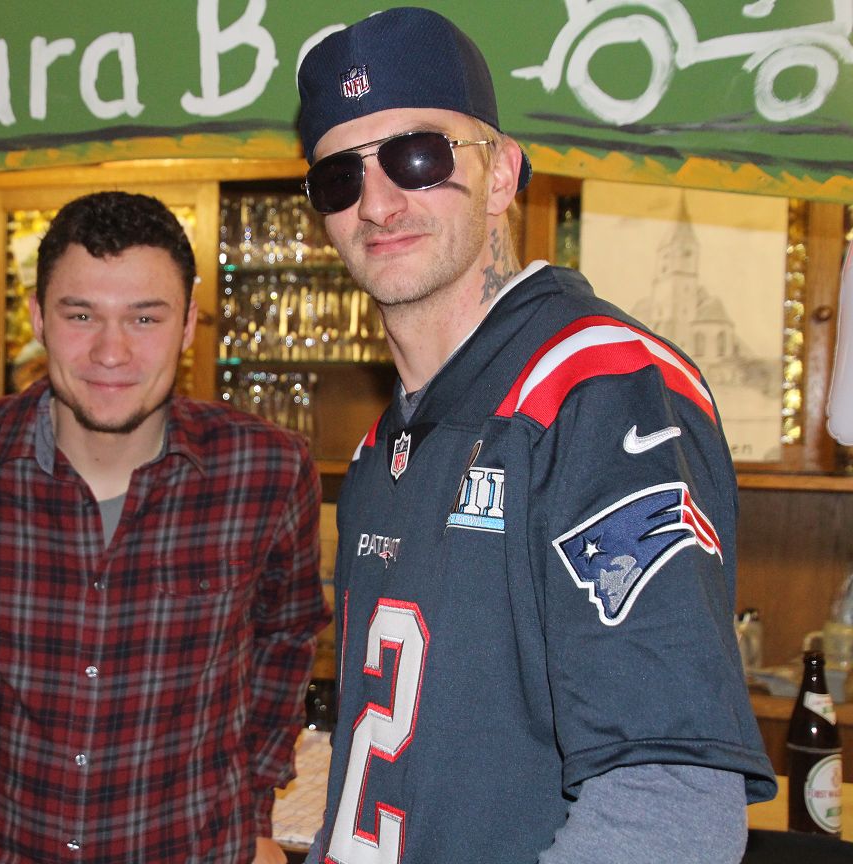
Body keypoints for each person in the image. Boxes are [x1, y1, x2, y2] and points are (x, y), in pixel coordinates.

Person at [294, 8, 775, 863]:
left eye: (418, 155)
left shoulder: (598, 385)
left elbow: (670, 808)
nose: (376, 202)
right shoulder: (381, 446)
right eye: (339, 176)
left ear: (503, 173)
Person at [0, 191, 328, 864]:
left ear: (188, 324)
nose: (112, 352)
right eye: (81, 315)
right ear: (38, 318)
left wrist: (254, 800)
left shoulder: (267, 471)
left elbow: (286, 636)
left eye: (145, 317)